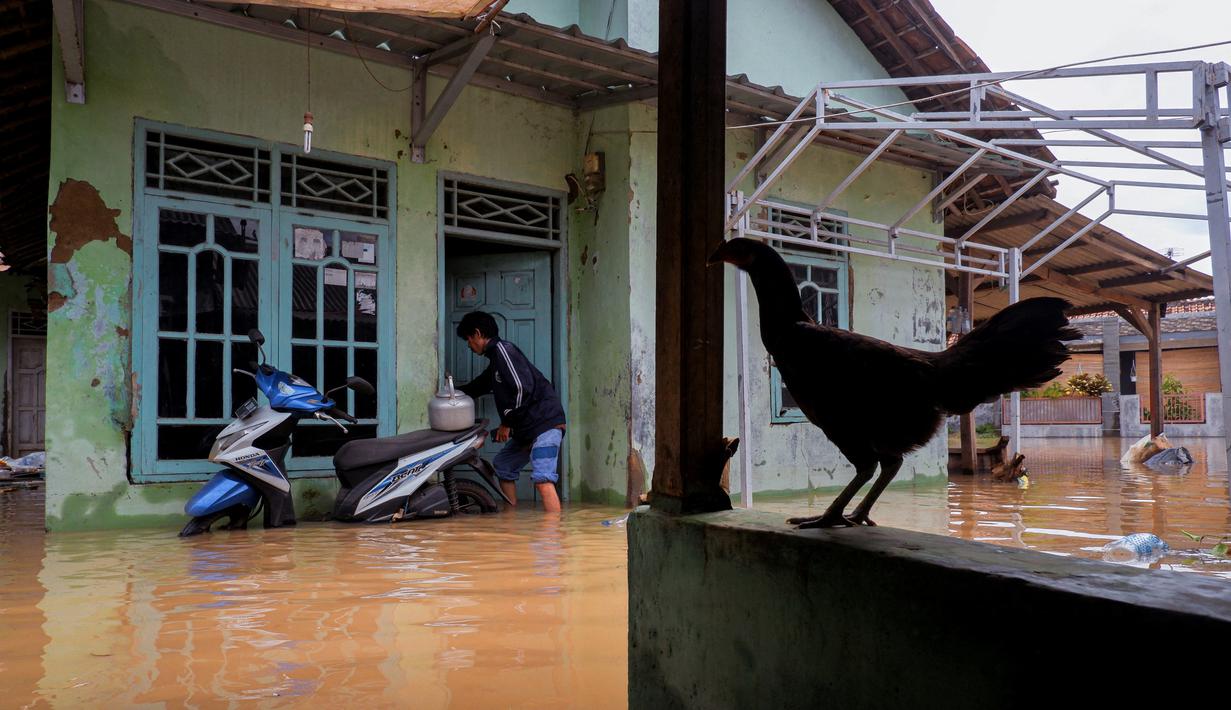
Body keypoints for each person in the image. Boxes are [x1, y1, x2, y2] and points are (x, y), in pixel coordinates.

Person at [455, 311, 566, 512]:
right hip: (527, 428)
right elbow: (478, 386)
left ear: (478, 334)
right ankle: (510, 520)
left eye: (469, 339)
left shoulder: (504, 351)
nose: (469, 345)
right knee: (504, 465)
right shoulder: (496, 361)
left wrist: (507, 423)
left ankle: (553, 536)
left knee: (543, 479)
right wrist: (450, 393)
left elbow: (523, 388)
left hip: (545, 425)